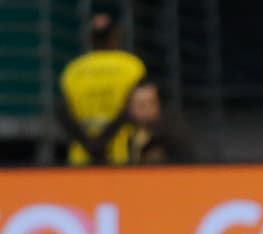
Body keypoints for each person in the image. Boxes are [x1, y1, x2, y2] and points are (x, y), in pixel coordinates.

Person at [57, 12, 146, 165]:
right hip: (121, 153)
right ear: (115, 36)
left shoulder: (73, 70)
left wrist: (89, 143)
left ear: (90, 38)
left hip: (81, 155)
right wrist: (104, 140)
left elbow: (62, 111)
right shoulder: (132, 66)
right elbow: (134, 108)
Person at [127, 78, 194, 164]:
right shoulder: (119, 130)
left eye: (151, 103)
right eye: (141, 105)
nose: (147, 110)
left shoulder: (173, 133)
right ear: (129, 107)